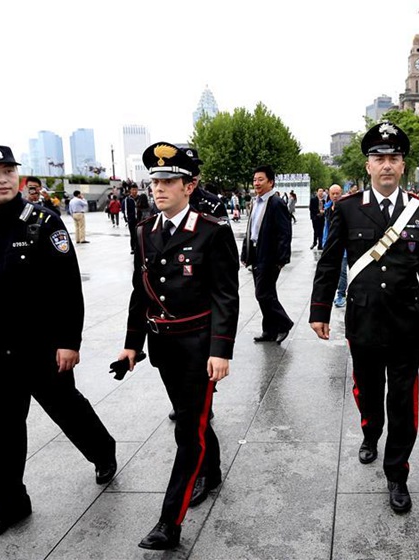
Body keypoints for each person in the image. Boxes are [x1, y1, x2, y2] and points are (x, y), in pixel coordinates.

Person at [0, 145, 116, 545]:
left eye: (8, 170)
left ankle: (103, 451)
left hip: (42, 346)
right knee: (1, 429)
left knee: (67, 408)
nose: (3, 178)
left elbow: (68, 288)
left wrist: (69, 341)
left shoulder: (43, 223)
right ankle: (9, 505)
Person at [310, 121, 419, 515]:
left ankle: (397, 474)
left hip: (406, 321)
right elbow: (330, 259)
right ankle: (371, 432)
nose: (386, 165)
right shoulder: (347, 208)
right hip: (364, 319)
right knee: (369, 391)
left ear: (403, 165)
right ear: (368, 165)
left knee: (403, 400)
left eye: (393, 158)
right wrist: (320, 310)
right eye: (379, 158)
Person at [116, 142, 239, 550]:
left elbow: (226, 295)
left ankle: (170, 523)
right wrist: (132, 345)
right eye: (155, 181)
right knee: (194, 416)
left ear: (191, 185)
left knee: (188, 430)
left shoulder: (212, 231)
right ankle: (213, 467)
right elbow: (142, 292)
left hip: (200, 347)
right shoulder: (145, 231)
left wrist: (221, 350)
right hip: (163, 346)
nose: (160, 188)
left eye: (169, 181)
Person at [241, 165, 294, 344]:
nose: (256, 183)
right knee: (266, 293)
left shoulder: (277, 203)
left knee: (263, 294)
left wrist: (281, 258)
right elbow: (251, 229)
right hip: (256, 252)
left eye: (260, 179)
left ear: (271, 182)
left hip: (270, 256)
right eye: (255, 179)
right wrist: (245, 252)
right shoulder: (256, 202)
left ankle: (284, 323)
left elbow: (285, 233)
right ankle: (269, 331)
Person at [124, 185, 138, 252]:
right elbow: (126, 210)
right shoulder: (128, 199)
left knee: (139, 234)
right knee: (132, 234)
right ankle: (133, 248)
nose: (134, 191)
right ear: (130, 190)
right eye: (133, 189)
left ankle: (139, 247)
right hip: (131, 219)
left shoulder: (139, 198)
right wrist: (127, 219)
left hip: (139, 219)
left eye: (135, 189)